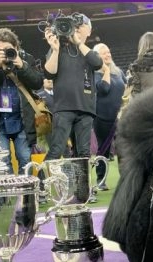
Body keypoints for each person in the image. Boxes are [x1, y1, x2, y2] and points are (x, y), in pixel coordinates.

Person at [0, 27, 43, 175]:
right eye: (0, 50)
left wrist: (22, 66)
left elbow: (38, 82)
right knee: (2, 162)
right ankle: (9, 190)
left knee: (25, 158)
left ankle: (26, 190)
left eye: (8, 49)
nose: (5, 53)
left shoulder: (25, 58)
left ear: (16, 48)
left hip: (22, 120)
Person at [42, 14, 103, 165]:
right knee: (57, 149)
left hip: (85, 109)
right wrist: (55, 50)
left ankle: (80, 181)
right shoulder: (59, 48)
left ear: (89, 31)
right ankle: (41, 180)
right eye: (74, 26)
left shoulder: (88, 52)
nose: (77, 29)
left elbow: (97, 63)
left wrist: (78, 42)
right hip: (64, 108)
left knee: (83, 153)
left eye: (80, 26)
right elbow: (49, 73)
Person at [92, 43, 125, 191]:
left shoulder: (118, 72)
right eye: (104, 53)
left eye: (109, 52)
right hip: (102, 118)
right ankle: (101, 180)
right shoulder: (94, 74)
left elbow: (126, 88)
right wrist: (105, 70)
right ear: (97, 57)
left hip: (120, 118)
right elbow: (104, 89)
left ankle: (125, 179)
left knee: (123, 149)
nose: (108, 55)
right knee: (103, 150)